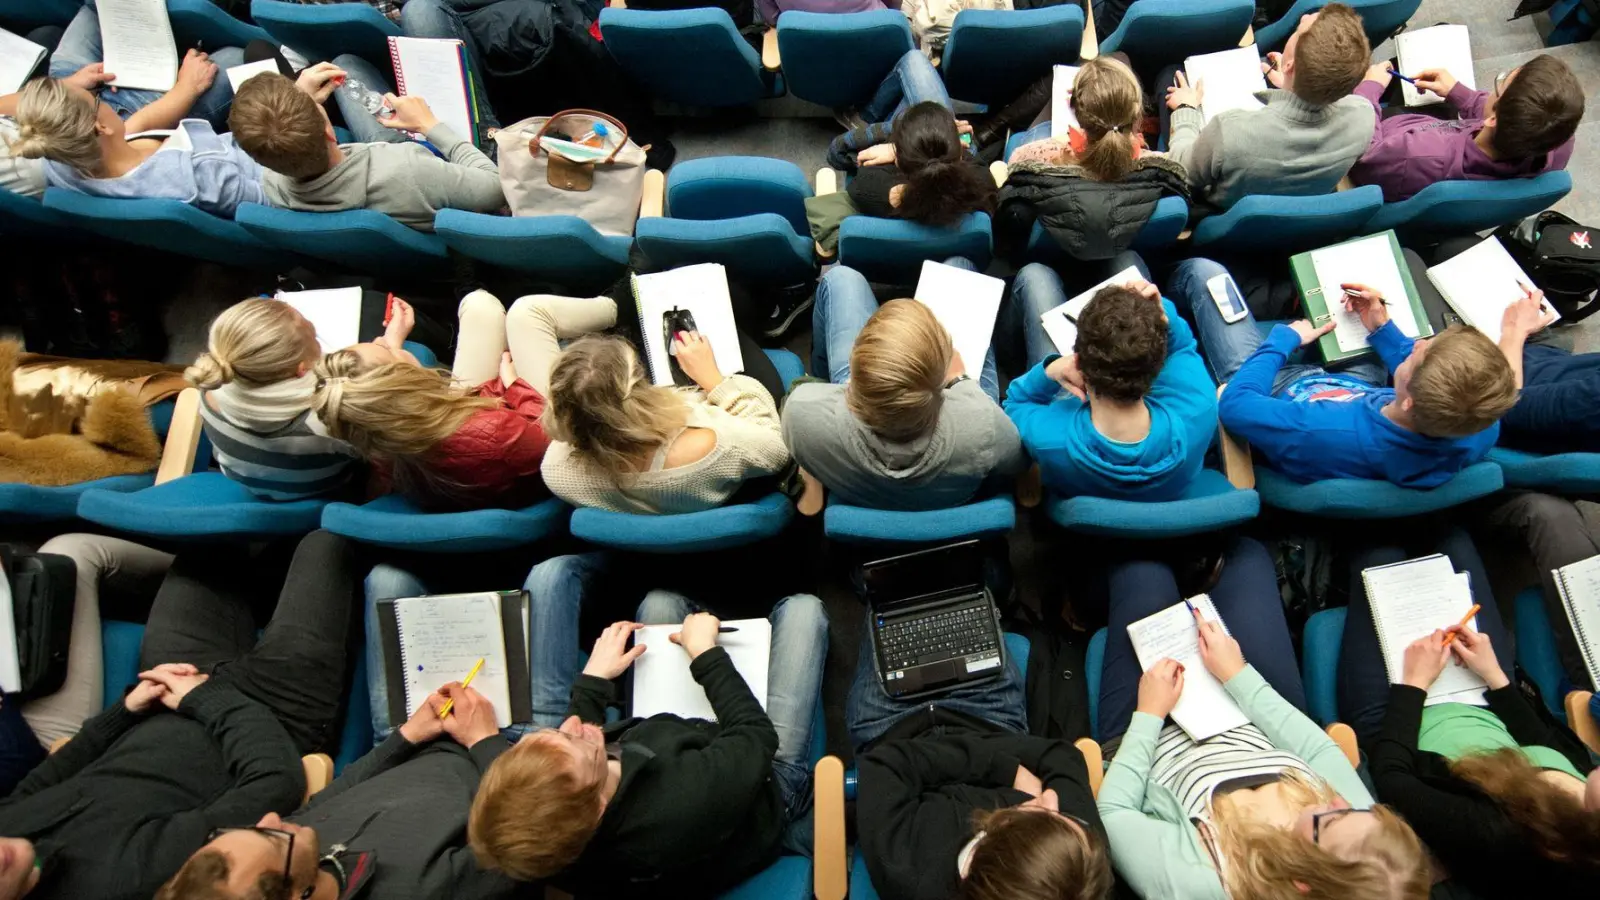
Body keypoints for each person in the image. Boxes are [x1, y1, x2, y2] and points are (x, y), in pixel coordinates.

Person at [0, 531, 356, 900]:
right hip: (275, 710)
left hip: (171, 693)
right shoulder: (125, 879)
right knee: (324, 541)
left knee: (211, 539)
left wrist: (125, 711)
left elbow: (47, 776)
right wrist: (204, 698)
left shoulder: (6, 830)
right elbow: (274, 782)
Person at [1097, 537, 1431, 900]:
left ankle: (1084, 604)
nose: (1340, 800)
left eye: (1328, 820)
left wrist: (1148, 714)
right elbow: (1317, 750)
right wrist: (1238, 676)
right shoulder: (1357, 834)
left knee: (1142, 567)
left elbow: (1114, 813)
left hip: (1154, 732)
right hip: (1254, 717)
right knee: (1247, 557)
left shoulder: (1206, 883)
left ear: (1301, 881)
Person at [466, 590, 828, 896]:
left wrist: (594, 680)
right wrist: (704, 654)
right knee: (803, 612)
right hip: (764, 778)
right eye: (582, 743)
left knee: (658, 605)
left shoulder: (553, 847)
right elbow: (755, 734)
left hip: (667, 740)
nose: (575, 724)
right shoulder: (680, 807)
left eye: (558, 734)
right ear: (598, 808)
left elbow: (570, 751)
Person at [1337, 528, 1600, 897]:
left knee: (1380, 549)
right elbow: (1543, 744)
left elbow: (1392, 778)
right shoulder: (1589, 793)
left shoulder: (1500, 836)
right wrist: (1495, 678)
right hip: (1483, 693)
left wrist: (1413, 684)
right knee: (1454, 539)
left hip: (1398, 717)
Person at [847, 598, 1113, 900]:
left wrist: (1008, 769)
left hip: (892, 721)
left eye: (1042, 814)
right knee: (967, 589)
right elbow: (1064, 758)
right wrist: (1005, 769)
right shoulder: (1079, 866)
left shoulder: (911, 871)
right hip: (987, 713)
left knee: (892, 596)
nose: (1051, 798)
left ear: (980, 849)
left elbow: (885, 764)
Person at [158, 682, 519, 900]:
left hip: (422, 737)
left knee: (388, 580)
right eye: (272, 838)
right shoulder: (424, 890)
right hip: (511, 753)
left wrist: (408, 735)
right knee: (550, 577)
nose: (271, 819)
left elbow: (335, 795)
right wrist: (484, 739)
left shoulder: (300, 844)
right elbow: (526, 829)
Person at [1203, 267, 1524, 488]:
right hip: (1358, 394)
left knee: (1205, 273)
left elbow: (1236, 405)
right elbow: (1440, 383)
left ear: (1410, 399)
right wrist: (1381, 328)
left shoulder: (1316, 430)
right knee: (1348, 317)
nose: (1420, 343)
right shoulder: (1479, 425)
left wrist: (1283, 341)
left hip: (1276, 395)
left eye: (1418, 354)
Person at [313, 290, 614, 511]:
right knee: (529, 311)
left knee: (478, 304)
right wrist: (513, 386)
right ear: (402, 385)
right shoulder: (493, 432)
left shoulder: (374, 429)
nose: (380, 340)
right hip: (529, 438)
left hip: (459, 424)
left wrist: (393, 348)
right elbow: (555, 439)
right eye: (384, 350)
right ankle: (621, 301)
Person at [783, 260, 1025, 511]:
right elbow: (1015, 463)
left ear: (854, 361)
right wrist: (961, 380)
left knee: (841, 277)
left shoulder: (801, 412)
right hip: (948, 488)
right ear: (940, 385)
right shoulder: (986, 426)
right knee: (960, 265)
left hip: (855, 479)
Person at [1004, 259, 1217, 502]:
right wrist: (1160, 311)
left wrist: (1051, 370)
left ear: (1079, 362)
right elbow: (1182, 345)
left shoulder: (1050, 441)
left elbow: (1015, 403)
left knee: (1035, 276)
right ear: (1158, 366)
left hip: (1074, 446)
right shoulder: (1201, 407)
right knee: (1128, 259)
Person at [539, 328, 790, 515]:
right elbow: (776, 451)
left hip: (660, 530)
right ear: (637, 392)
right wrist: (714, 380)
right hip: (729, 492)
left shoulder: (556, 469)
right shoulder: (713, 443)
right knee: (732, 333)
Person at [229, 69, 504, 232]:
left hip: (378, 176)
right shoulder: (411, 169)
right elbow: (495, 188)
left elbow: (275, 134)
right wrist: (428, 124)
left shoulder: (273, 184)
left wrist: (297, 102)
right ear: (329, 131)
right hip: (412, 177)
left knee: (348, 64)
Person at [1163, 5, 1375, 211]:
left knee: (1169, 74)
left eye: (1301, 29)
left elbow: (1181, 169)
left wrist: (1185, 107)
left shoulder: (1228, 131)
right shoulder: (1364, 117)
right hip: (1291, 204)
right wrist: (1292, 85)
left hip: (1219, 207)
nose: (1302, 19)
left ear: (1289, 66)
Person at [8, 60, 265, 216]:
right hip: (273, 160)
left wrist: (187, 88)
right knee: (251, 57)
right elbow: (272, 197)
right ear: (100, 127)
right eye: (97, 100)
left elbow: (133, 130)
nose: (103, 101)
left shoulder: (61, 166)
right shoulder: (199, 176)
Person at [185, 297, 381, 501]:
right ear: (302, 370)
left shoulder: (210, 389)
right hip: (324, 490)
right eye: (314, 337)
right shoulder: (327, 418)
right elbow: (383, 452)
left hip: (249, 481)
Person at [998, 55, 1190, 261]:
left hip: (1053, 260)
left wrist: (1063, 140)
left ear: (1077, 112)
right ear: (1137, 119)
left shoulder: (1036, 156)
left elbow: (1014, 166)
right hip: (1125, 256)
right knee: (1122, 57)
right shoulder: (1159, 169)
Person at [1349, 55, 1583, 202]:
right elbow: (1506, 114)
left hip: (1378, 148)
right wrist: (1457, 92)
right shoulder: (1558, 137)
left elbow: (1363, 158)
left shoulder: (1414, 154)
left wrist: (1369, 90)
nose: (1492, 90)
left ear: (1491, 120)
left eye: (1500, 86)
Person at [45, 2, 243, 131]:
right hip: (132, 123)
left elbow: (19, 102)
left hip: (61, 92)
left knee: (96, 6)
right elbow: (117, 144)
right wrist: (186, 88)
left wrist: (69, 84)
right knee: (240, 56)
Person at [829, 100, 996, 227]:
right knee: (915, 64)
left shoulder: (867, 185)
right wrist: (937, 132)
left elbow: (836, 151)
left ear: (898, 161)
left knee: (912, 62)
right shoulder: (982, 186)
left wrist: (896, 136)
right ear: (961, 154)